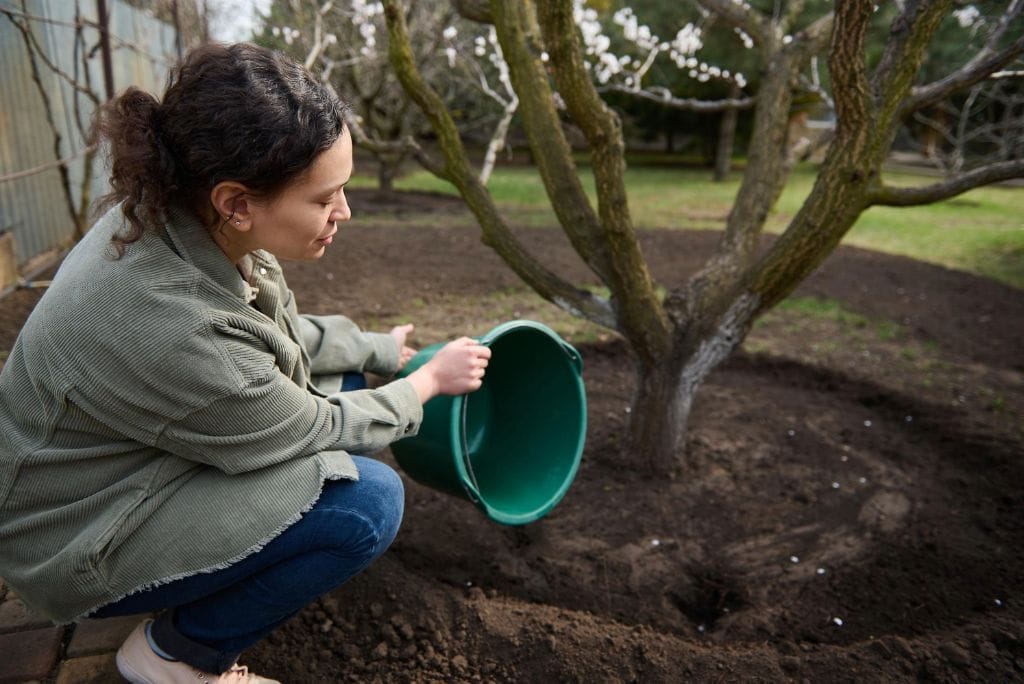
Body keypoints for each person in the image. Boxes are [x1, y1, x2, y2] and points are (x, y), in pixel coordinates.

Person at [0, 42, 491, 684]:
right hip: (73, 538)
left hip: (116, 469)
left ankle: (215, 584)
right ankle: (176, 655)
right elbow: (310, 421)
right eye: (325, 197)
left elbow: (265, 338)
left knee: (343, 385)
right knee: (365, 504)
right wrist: (427, 382)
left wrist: (376, 349)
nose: (344, 212)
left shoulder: (182, 218)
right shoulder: (173, 323)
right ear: (237, 201)